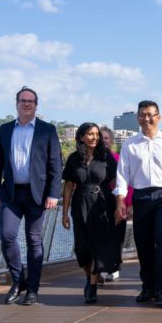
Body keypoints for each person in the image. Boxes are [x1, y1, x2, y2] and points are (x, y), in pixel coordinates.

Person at [0, 87, 62, 306]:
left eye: (31, 101)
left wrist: (53, 194)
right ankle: (18, 280)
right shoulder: (5, 130)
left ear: (36, 105)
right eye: (23, 100)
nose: (27, 104)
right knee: (7, 235)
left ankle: (33, 289)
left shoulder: (47, 130)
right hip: (11, 193)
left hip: (37, 194)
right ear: (17, 104)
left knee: (33, 240)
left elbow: (55, 165)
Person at [115, 100, 162, 304]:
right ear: (138, 118)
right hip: (141, 196)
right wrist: (121, 199)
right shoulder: (130, 144)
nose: (147, 118)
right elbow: (122, 175)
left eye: (151, 115)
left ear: (159, 117)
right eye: (143, 115)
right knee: (143, 243)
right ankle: (148, 286)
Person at [61, 123, 119, 304]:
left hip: (103, 204)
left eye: (96, 134)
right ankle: (89, 276)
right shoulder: (73, 158)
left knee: (98, 247)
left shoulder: (106, 156)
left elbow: (117, 183)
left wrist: (120, 206)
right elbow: (69, 187)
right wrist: (64, 213)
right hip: (80, 204)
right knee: (81, 248)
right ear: (81, 137)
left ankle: (93, 285)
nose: (94, 137)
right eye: (90, 134)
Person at [99, 126, 124, 282]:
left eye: (106, 138)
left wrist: (125, 204)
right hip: (99, 202)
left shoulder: (118, 158)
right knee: (101, 235)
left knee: (117, 235)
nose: (103, 141)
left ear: (111, 141)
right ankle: (101, 266)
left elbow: (126, 183)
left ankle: (115, 265)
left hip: (117, 201)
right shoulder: (92, 159)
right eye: (101, 138)